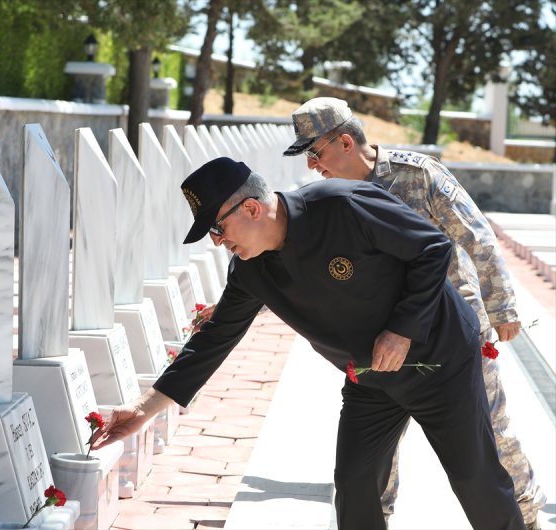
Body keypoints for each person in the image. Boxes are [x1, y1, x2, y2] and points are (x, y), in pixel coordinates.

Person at [92, 156, 526, 530]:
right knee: (356, 483)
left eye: (219, 230)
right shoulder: (250, 271)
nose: (220, 243)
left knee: (475, 478)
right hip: (370, 378)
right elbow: (213, 341)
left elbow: (432, 248)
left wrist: (402, 330)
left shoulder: (342, 204)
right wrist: (144, 408)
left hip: (439, 361)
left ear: (251, 208)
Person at [282, 96, 544, 529]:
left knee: (490, 434)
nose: (312, 166)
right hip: (382, 338)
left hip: (452, 330)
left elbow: (476, 236)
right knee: (375, 450)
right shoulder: (329, 201)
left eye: (315, 152)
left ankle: (527, 517)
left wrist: (502, 306)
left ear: (345, 142)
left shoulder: (417, 175)